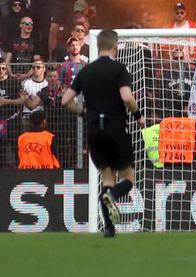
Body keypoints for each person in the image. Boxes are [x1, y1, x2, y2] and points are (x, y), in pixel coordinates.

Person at [60, 28, 144, 238]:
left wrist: (83, 113)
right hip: (115, 128)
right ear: (115, 47)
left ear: (97, 47)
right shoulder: (119, 69)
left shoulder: (86, 71)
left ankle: (109, 228)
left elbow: (65, 100)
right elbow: (126, 96)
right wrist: (138, 115)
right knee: (128, 177)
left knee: (107, 178)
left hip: (94, 131)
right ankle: (113, 196)